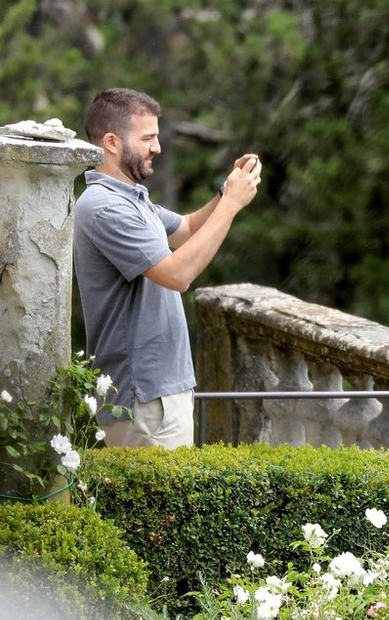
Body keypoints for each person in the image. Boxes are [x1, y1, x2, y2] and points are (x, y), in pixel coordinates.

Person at [74, 88, 262, 448]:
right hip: (142, 398)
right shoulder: (104, 207)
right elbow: (177, 275)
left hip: (161, 392)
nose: (157, 147)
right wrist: (231, 205)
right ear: (112, 142)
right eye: (147, 138)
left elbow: (188, 228)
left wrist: (227, 190)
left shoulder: (132, 199)